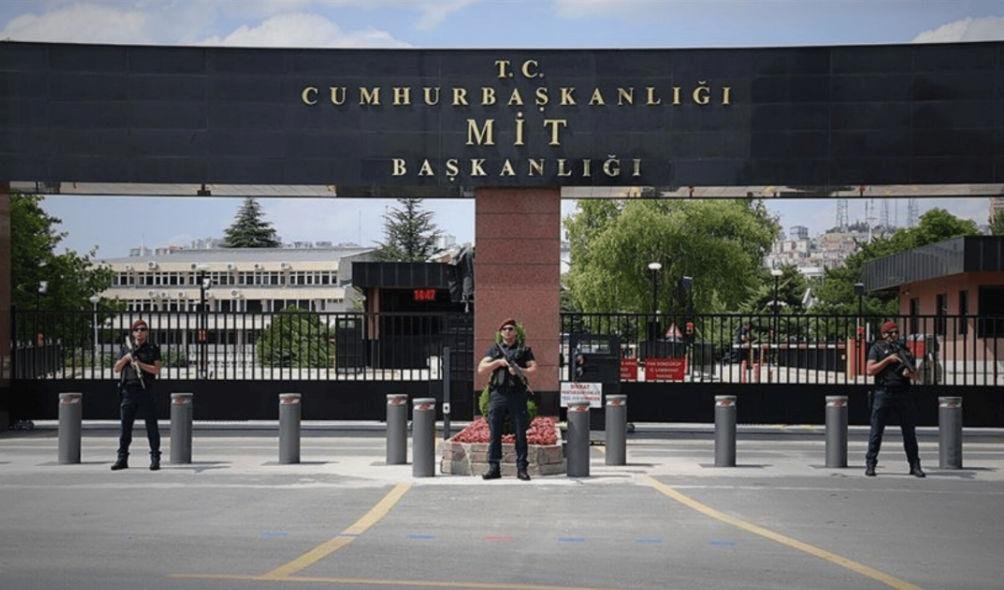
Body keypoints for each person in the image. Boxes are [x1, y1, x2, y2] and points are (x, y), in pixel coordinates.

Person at [477, 318, 537, 481]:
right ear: (501, 332)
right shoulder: (495, 350)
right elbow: (481, 369)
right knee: (495, 433)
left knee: (520, 433)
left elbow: (534, 369)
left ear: (516, 332)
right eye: (505, 329)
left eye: (511, 329)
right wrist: (498, 362)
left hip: (517, 395)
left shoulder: (523, 350)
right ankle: (494, 468)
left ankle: (522, 469)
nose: (508, 331)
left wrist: (520, 370)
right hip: (498, 395)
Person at [864, 320, 924, 478]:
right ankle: (870, 463)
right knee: (876, 431)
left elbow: (916, 375)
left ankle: (915, 465)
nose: (895, 335)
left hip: (903, 393)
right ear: (884, 334)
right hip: (883, 393)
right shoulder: (877, 348)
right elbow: (869, 370)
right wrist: (888, 360)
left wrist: (909, 373)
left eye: (897, 332)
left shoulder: (905, 350)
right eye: (892, 332)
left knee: (909, 432)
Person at [111, 319, 162, 471]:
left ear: (147, 332)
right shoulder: (126, 348)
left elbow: (156, 369)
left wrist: (140, 364)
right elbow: (116, 368)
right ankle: (122, 459)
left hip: (146, 390)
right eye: (137, 329)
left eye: (143, 329)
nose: (140, 332)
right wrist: (126, 358)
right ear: (133, 333)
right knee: (125, 427)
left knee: (151, 426)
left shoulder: (152, 349)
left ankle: (155, 458)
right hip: (128, 391)